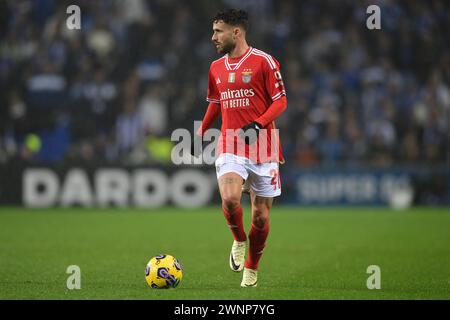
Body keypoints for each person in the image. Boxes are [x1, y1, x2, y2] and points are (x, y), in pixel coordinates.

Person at [191, 9, 287, 287]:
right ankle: (238, 239)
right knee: (231, 199)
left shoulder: (264, 62)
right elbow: (215, 102)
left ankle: (252, 268)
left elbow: (280, 101)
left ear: (237, 32)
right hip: (231, 142)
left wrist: (258, 124)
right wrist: (201, 131)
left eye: (218, 31)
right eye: (213, 31)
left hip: (264, 146)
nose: (213, 37)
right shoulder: (215, 67)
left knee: (260, 215)